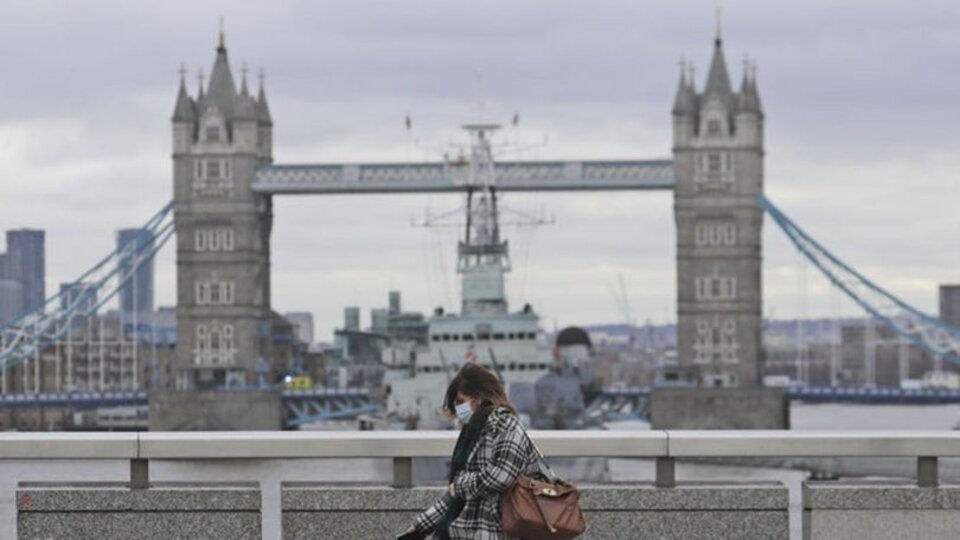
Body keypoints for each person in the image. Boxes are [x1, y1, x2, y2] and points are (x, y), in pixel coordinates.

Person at [402, 363, 539, 540]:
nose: (459, 409)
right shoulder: (473, 432)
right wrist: (419, 526)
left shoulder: (505, 424)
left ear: (479, 398)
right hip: (469, 531)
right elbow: (455, 496)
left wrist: (460, 486)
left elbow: (502, 475)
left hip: (496, 532)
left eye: (461, 401)